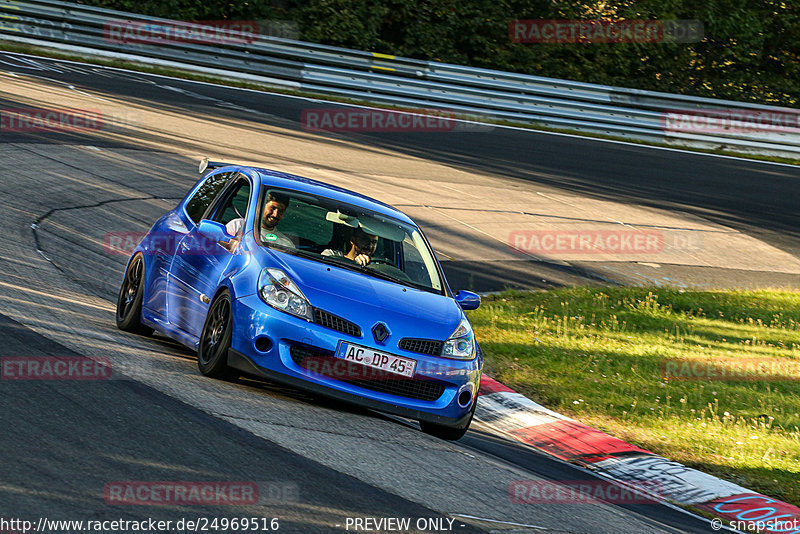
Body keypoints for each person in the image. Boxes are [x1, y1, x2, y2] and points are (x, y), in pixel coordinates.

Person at [224, 191, 293, 250]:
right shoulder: (238, 226)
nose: (275, 214)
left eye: (281, 211)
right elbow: (221, 249)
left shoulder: (286, 244)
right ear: (262, 206)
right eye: (273, 208)